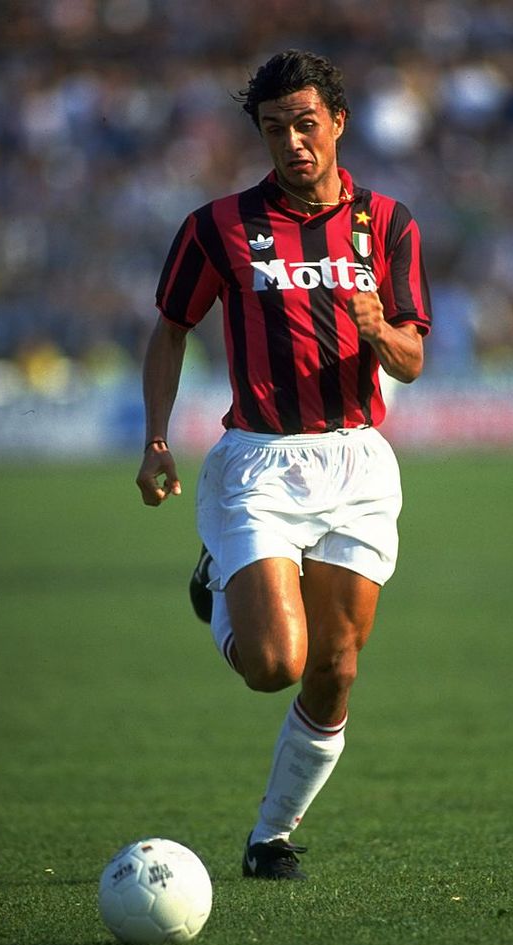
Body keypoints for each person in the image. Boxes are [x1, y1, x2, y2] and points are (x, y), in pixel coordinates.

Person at [135, 50, 431, 880]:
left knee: (336, 668)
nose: (294, 142)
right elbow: (170, 329)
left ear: (338, 122)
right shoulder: (217, 227)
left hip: (357, 464)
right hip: (260, 461)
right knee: (274, 665)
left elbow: (411, 358)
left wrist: (378, 330)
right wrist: (156, 438)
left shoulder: (389, 223)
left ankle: (271, 836)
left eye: (306, 124)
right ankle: (218, 576)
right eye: (275, 129)